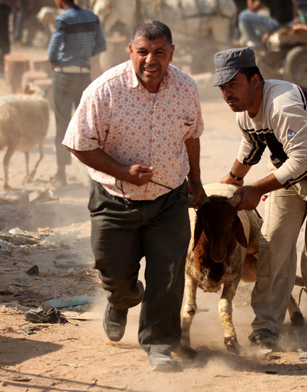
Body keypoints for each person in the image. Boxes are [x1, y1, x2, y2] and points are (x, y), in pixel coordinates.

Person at [62, 20, 205, 371]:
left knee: (168, 273)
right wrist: (124, 173)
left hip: (169, 197)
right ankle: (121, 298)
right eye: (143, 51)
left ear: (171, 53)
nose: (150, 60)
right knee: (113, 269)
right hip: (115, 199)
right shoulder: (105, 90)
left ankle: (159, 344)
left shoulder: (186, 87)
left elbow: (191, 135)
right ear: (131, 52)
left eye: (159, 52)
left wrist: (196, 181)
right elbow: (79, 145)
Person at [213, 47, 307, 348]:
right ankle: (267, 325)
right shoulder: (244, 111)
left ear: (255, 81)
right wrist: (234, 177)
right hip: (289, 171)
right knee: (272, 245)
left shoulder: (283, 105)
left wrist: (257, 188)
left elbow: (305, 159)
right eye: (223, 87)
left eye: (234, 84)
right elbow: (252, 144)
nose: (228, 93)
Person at [47, 0, 106, 186]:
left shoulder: (63, 18)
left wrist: (55, 64)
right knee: (87, 127)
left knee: (62, 125)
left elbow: (52, 51)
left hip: (63, 76)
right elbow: (101, 45)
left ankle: (61, 174)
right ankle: (92, 175)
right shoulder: (92, 16)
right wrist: (85, 54)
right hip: (83, 76)